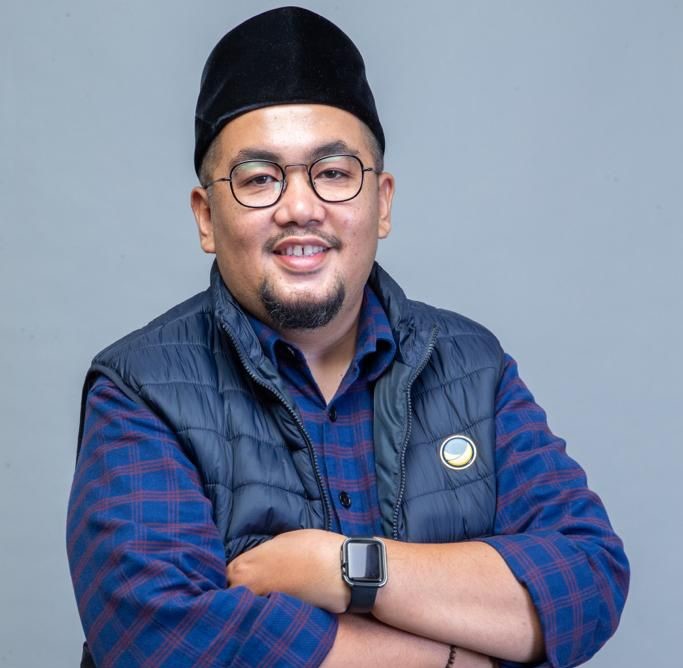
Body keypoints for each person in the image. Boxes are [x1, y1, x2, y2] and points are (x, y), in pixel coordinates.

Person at [67, 6, 629, 667]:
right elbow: (160, 638)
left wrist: (342, 568)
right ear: (206, 218)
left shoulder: (472, 368)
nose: (300, 207)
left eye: (333, 172)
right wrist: (450, 658)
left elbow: (586, 580)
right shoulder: (138, 390)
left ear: (381, 202)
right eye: (259, 178)